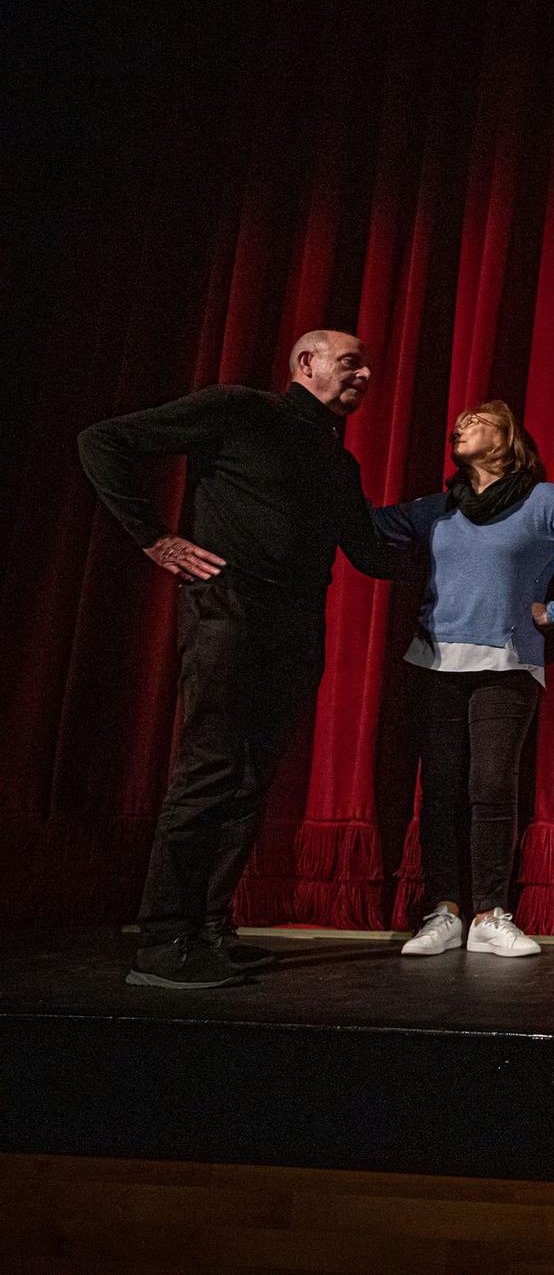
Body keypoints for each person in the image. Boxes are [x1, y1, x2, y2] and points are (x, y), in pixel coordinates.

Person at [78, 330, 403, 989]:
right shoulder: (239, 409)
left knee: (252, 777)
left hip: (296, 625)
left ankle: (209, 928)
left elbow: (369, 552)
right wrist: (154, 537)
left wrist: (467, 542)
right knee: (210, 768)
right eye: (351, 362)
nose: (365, 374)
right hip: (229, 611)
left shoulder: (338, 463)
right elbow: (101, 441)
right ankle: (164, 940)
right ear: (305, 363)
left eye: (367, 366)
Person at [374, 401, 554, 959]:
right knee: (439, 787)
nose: (460, 427)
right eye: (458, 422)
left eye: (477, 421)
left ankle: (489, 913)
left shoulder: (542, 500)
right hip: (434, 663)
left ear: (507, 438)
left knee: (490, 786)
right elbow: (367, 525)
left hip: (506, 664)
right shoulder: (439, 508)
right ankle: (443, 911)